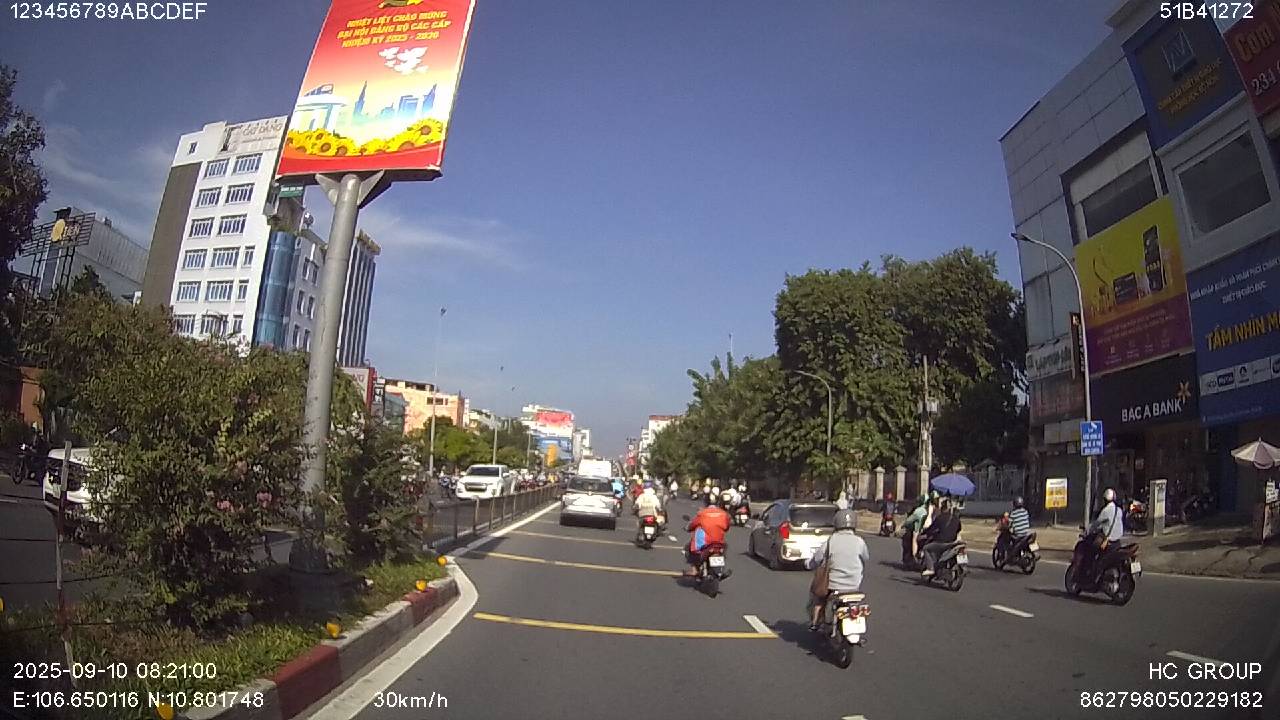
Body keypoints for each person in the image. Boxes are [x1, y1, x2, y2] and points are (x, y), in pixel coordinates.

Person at [805, 508, 870, 632]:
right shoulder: (860, 541)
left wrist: (808, 564)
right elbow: (866, 557)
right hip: (854, 586)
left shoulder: (831, 541)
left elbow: (817, 558)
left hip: (834, 586)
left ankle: (815, 623)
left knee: (818, 599)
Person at [1082, 488, 1125, 579]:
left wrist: (1088, 530)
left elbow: (1097, 523)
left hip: (1107, 542)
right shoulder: (1119, 510)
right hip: (1117, 541)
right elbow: (1111, 523)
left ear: (1105, 500)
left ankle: (1094, 575)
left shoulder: (1106, 511)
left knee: (1092, 551)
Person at [684, 495, 731, 577]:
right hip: (719, 542)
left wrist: (688, 528)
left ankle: (694, 570)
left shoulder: (702, 513)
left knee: (688, 547)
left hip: (706, 542)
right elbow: (727, 527)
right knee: (724, 547)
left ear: (706, 502)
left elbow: (693, 525)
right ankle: (720, 569)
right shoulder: (723, 514)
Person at [919, 499, 962, 577]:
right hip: (952, 542)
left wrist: (923, 534)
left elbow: (931, 529)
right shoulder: (956, 518)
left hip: (941, 543)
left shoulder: (940, 518)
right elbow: (959, 529)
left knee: (926, 548)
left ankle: (930, 568)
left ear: (942, 508)